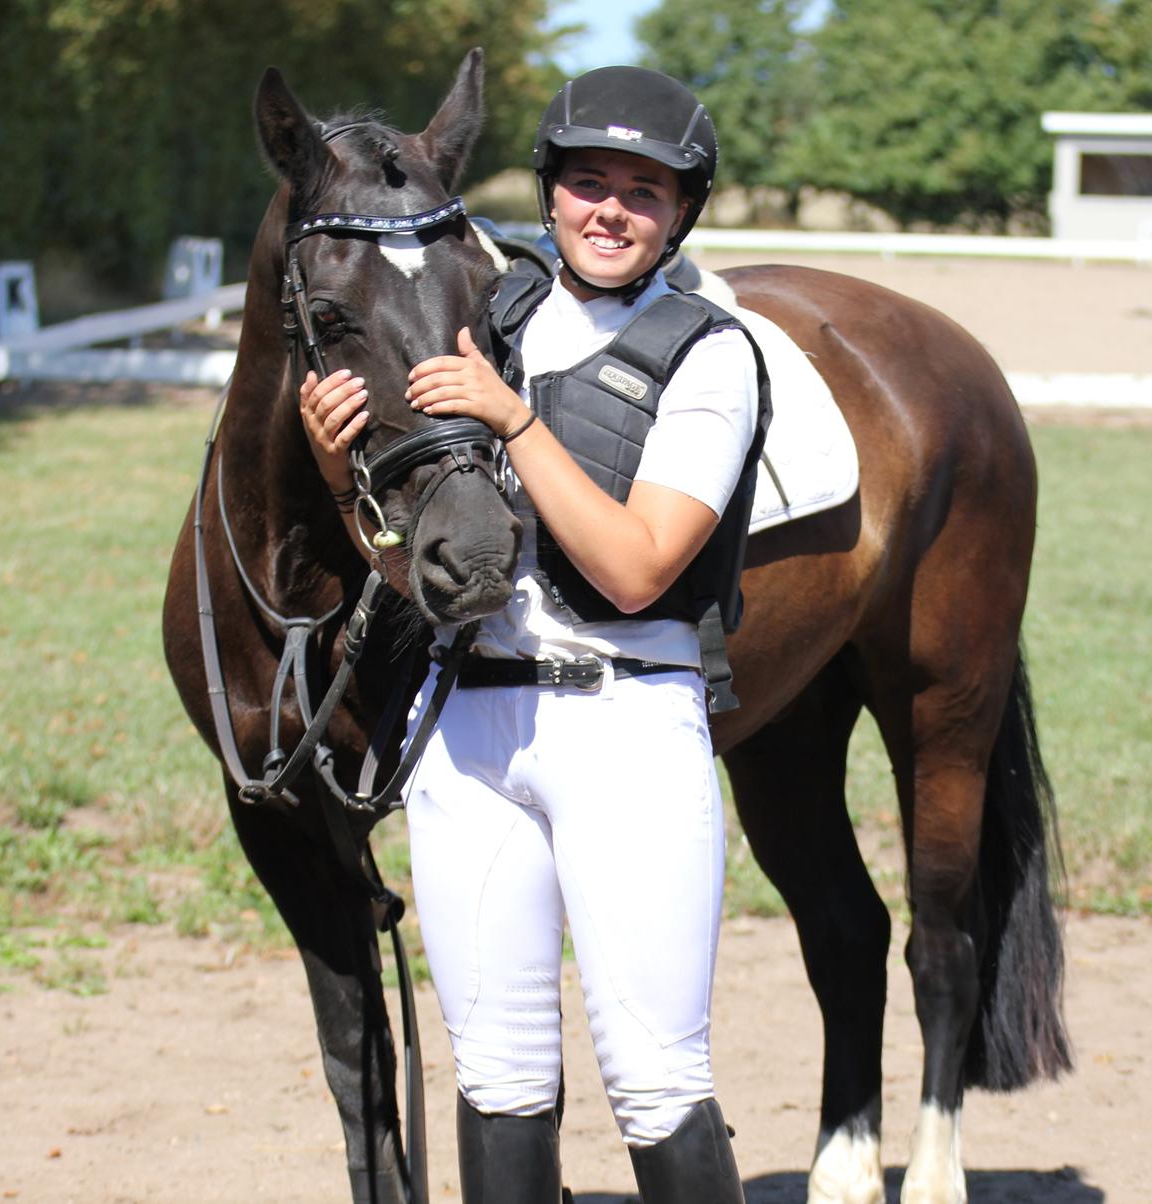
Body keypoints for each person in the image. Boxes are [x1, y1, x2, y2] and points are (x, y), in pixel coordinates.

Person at [300, 65, 766, 1204]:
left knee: (656, 1079)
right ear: (550, 194)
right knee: (500, 1076)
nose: (609, 210)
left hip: (627, 728)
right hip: (468, 734)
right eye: (587, 183)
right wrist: (333, 463)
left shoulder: (709, 357)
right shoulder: (481, 321)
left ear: (681, 213)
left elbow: (637, 562)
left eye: (643, 192)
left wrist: (512, 415)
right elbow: (420, 568)